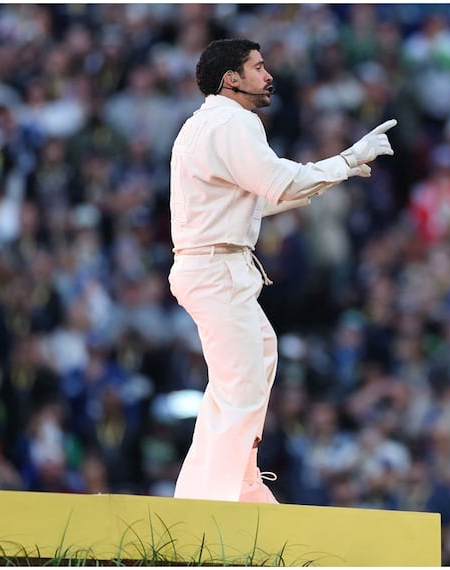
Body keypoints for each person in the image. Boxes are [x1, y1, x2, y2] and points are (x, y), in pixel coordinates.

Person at [168, 38, 396, 503]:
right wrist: (348, 158)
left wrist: (340, 172)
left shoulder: (205, 123)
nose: (268, 75)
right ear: (231, 79)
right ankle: (220, 501)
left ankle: (227, 486)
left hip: (213, 262)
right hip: (217, 267)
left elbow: (260, 200)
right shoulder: (236, 121)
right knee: (242, 386)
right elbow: (277, 184)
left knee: (252, 365)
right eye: (258, 67)